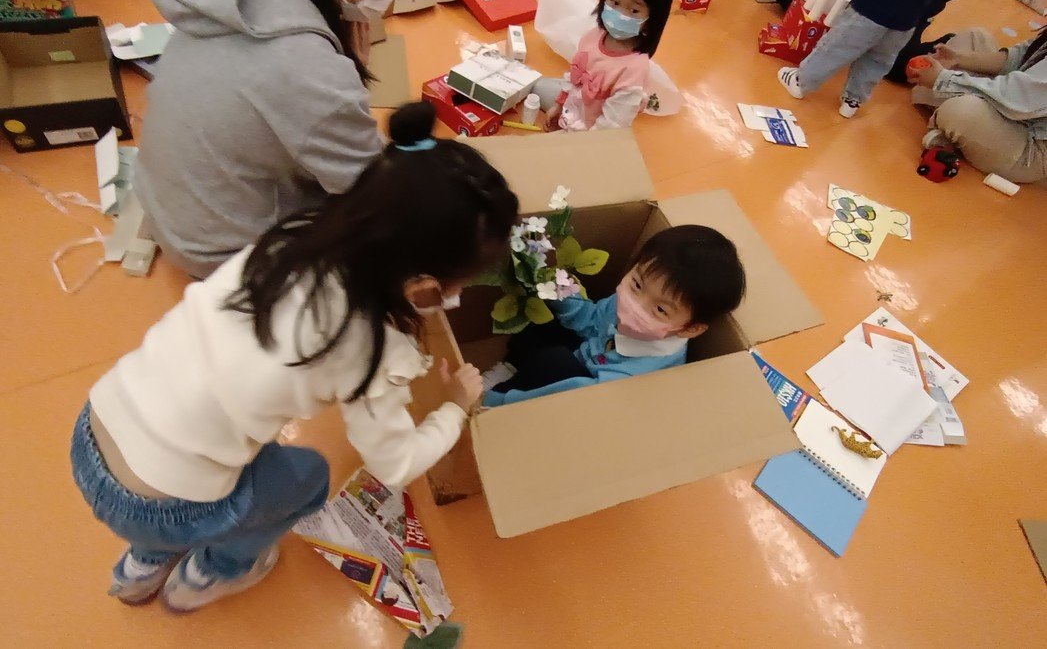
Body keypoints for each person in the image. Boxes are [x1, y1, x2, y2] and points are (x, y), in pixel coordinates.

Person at [71, 102, 519, 612]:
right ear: (423, 288)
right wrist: (454, 408)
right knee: (306, 478)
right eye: (462, 283)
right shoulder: (373, 351)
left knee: (169, 485)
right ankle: (213, 572)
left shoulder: (293, 239)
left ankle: (139, 568)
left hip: (94, 430)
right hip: (167, 504)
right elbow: (395, 463)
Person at [134, 0, 397, 279]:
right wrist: (349, 83)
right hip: (225, 256)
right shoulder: (308, 67)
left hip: (171, 214)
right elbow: (375, 190)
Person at [483, 225, 746, 407]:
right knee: (548, 310)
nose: (634, 305)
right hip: (585, 353)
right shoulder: (626, 302)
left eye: (660, 310)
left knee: (557, 361)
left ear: (690, 328)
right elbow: (591, 320)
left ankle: (497, 394)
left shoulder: (642, 373)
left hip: (589, 390)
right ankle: (511, 367)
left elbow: (580, 393)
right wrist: (562, 292)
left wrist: (499, 401)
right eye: (637, 284)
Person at [776, 0, 971, 119]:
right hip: (908, 18)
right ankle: (852, 101)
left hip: (873, 6)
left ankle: (801, 81)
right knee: (879, 60)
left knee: (838, 47)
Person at [534, 0, 678, 132]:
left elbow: (610, 128)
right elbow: (574, 76)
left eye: (634, 10)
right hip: (576, 107)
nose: (620, 14)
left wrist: (571, 140)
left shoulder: (632, 71)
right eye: (615, 2)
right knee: (536, 87)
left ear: (653, 19)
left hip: (591, 134)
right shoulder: (593, 36)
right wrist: (559, 105)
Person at [909, 29, 1047, 184]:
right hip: (1016, 104)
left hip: (1030, 146)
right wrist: (957, 58)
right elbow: (1020, 57)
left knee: (961, 110)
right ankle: (950, 129)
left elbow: (1016, 101)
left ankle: (949, 128)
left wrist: (943, 79)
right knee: (975, 37)